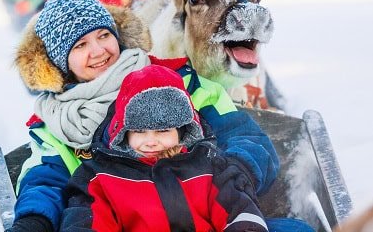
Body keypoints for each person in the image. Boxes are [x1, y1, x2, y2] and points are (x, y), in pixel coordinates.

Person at [8, 0, 281, 232]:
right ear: (60, 61)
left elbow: (245, 138)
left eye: (104, 35)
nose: (98, 51)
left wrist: (231, 189)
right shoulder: (55, 125)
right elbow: (44, 182)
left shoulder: (178, 82)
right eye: (80, 46)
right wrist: (34, 220)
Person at [61, 65, 313, 231]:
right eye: (139, 131)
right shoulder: (102, 177)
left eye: (162, 131)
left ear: (182, 131)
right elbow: (86, 221)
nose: (151, 141)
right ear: (122, 131)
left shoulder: (207, 165)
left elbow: (238, 210)